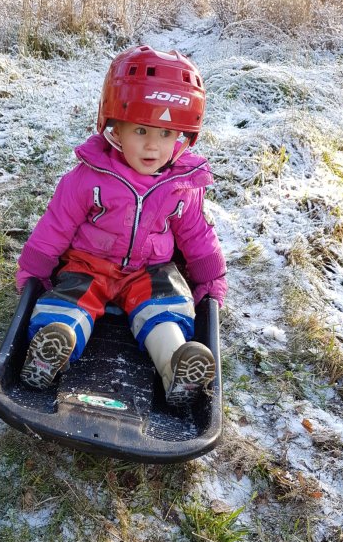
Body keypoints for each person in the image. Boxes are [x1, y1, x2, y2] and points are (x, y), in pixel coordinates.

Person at [15, 45, 227, 407]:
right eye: (141, 130)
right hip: (89, 265)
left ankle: (176, 366)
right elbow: (56, 225)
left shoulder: (181, 184)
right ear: (115, 127)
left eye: (166, 134)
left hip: (149, 271)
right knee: (69, 302)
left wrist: (211, 279)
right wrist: (33, 274)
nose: (153, 146)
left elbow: (197, 235)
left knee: (165, 313)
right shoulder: (89, 177)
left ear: (183, 136)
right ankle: (52, 349)